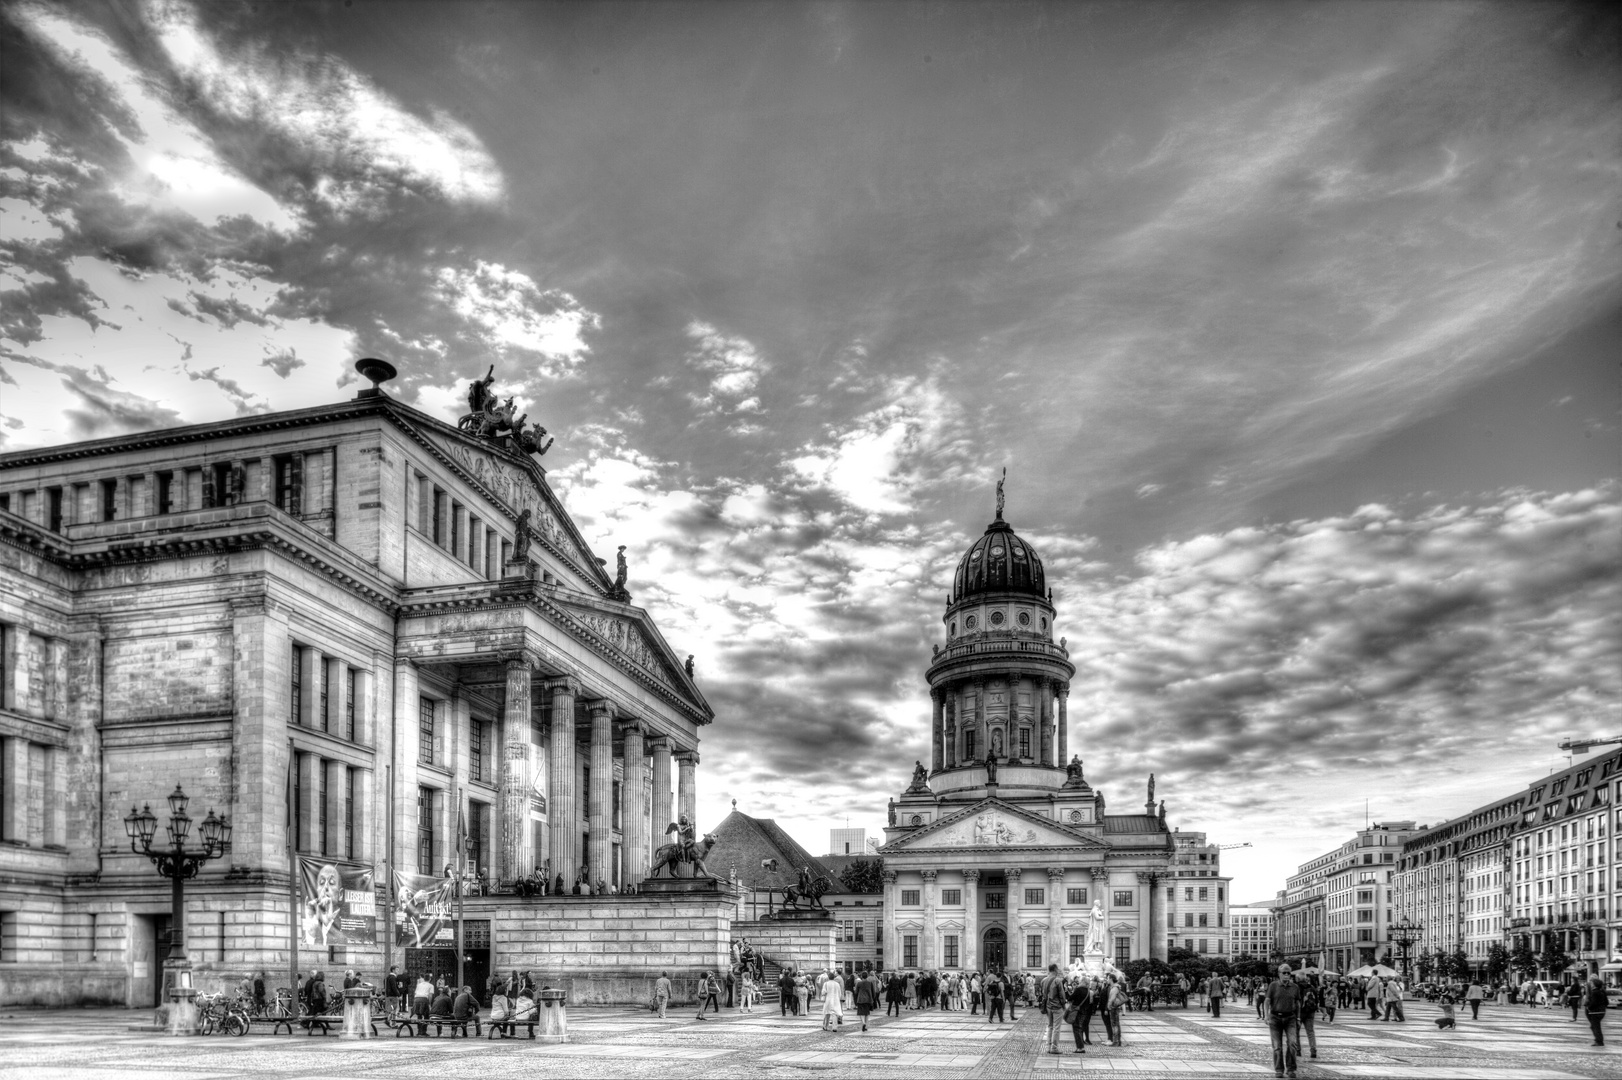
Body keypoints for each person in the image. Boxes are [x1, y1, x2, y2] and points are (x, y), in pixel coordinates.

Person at [1265, 964, 1303, 1079]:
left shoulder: (1295, 987)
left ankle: (1291, 1069)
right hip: (1275, 1018)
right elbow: (1267, 1001)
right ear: (1279, 974)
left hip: (1290, 1017)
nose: (1286, 975)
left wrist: (1298, 1018)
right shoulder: (1273, 985)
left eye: (1288, 973)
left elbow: (1298, 1003)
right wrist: (1266, 1016)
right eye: (1284, 973)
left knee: (1292, 1044)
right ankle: (1279, 1070)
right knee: (1277, 1046)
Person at [1041, 963, 1067, 1055]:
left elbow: (1043, 994)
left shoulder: (1044, 980)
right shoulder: (1057, 980)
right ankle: (1054, 1047)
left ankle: (1048, 1046)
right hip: (1057, 1006)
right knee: (1056, 1027)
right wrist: (1064, 1005)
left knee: (1050, 1026)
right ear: (1055, 969)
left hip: (1048, 1006)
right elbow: (1062, 995)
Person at [1297, 973, 1320, 1061]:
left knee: (1296, 1032)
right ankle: (1313, 1050)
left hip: (1300, 1012)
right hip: (1310, 1011)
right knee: (1310, 1032)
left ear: (1298, 979)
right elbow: (1317, 999)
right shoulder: (1312, 987)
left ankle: (1298, 1050)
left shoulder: (1297, 987)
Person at [1067, 977, 1092, 1053]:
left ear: (1082, 982)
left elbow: (1070, 998)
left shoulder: (1078, 989)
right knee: (1080, 1028)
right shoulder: (1088, 991)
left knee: (1076, 1029)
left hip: (1076, 1011)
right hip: (1084, 1011)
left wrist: (1070, 992)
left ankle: (1080, 1047)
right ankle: (1081, 1046)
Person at [1584, 975, 1608, 1046]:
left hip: (1595, 1012)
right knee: (1595, 1026)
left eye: (1591, 983)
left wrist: (1589, 1007)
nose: (1590, 984)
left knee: (1595, 1027)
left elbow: (1593, 1003)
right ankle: (1598, 1040)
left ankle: (1599, 1041)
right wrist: (1602, 1007)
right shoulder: (1602, 991)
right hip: (1602, 1011)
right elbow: (1607, 1002)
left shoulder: (1594, 992)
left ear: (1594, 985)